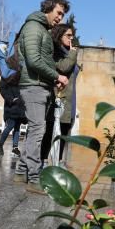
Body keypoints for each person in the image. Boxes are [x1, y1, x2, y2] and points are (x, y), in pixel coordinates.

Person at [13, 0, 70, 195]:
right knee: (38, 131)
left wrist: (52, 79)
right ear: (48, 8)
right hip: (33, 86)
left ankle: (21, 172)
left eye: (62, 14)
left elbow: (41, 61)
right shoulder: (33, 28)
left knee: (35, 131)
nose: (60, 18)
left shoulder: (42, 29)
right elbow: (34, 60)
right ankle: (34, 179)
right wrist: (57, 75)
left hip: (41, 85)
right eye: (59, 13)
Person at [41, 23, 79, 166]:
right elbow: (64, 67)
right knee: (50, 132)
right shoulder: (55, 53)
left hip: (70, 98)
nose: (71, 38)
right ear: (59, 35)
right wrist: (73, 53)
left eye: (72, 35)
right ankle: (42, 161)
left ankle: (59, 162)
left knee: (64, 132)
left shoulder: (67, 53)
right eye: (68, 35)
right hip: (58, 99)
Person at [0, 79, 26, 157]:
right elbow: (1, 88)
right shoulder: (7, 74)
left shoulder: (22, 73)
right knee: (10, 125)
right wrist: (11, 99)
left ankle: (15, 148)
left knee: (17, 127)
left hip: (20, 104)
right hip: (11, 106)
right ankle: (0, 144)